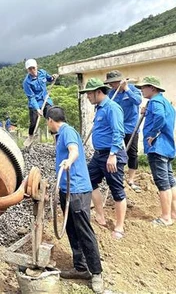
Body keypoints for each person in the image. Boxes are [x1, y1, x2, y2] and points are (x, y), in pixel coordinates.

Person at [46, 106, 103, 293]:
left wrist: (69, 161)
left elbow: (74, 150)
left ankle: (96, 273)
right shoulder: (60, 135)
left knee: (84, 231)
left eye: (48, 122)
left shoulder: (67, 131)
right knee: (71, 228)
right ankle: (81, 267)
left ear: (50, 120)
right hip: (66, 189)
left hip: (77, 189)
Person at [80, 78, 128, 240]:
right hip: (99, 155)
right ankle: (100, 215)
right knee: (88, 180)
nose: (87, 97)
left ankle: (119, 227)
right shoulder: (99, 108)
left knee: (117, 190)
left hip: (112, 154)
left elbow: (118, 132)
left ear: (98, 92)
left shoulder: (112, 108)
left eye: (89, 93)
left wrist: (113, 155)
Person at [135, 76, 176, 227]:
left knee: (162, 183)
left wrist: (153, 133)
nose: (141, 91)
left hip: (157, 148)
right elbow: (161, 116)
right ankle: (173, 213)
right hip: (167, 147)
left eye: (143, 88)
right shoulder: (166, 103)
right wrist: (147, 112)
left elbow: (159, 117)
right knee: (170, 181)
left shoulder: (155, 102)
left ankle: (166, 218)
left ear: (152, 88)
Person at [104, 70, 142, 192]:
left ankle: (131, 179)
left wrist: (126, 89)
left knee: (132, 153)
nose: (112, 85)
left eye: (114, 83)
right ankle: (118, 177)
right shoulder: (111, 94)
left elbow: (138, 101)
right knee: (117, 152)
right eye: (110, 84)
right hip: (116, 128)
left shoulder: (132, 89)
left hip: (131, 127)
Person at [22, 58, 58, 140]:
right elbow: (31, 97)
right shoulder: (26, 82)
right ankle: (30, 136)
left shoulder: (43, 73)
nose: (32, 70)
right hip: (35, 103)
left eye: (33, 68)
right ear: (27, 70)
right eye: (30, 69)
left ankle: (56, 137)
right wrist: (38, 109)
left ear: (36, 67)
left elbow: (49, 79)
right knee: (33, 122)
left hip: (46, 100)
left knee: (52, 117)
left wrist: (53, 78)